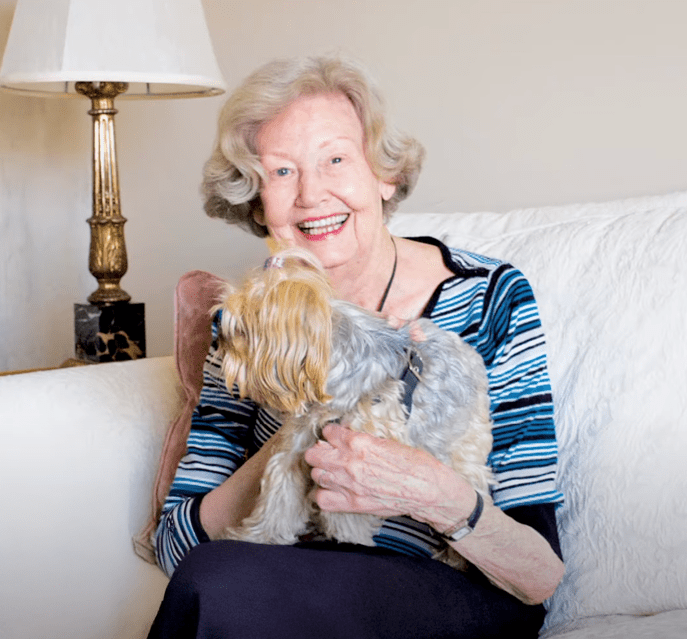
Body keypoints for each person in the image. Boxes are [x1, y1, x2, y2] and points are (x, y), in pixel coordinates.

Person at [148, 55, 564, 639]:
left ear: (384, 175)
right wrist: (301, 434)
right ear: (255, 199)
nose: (312, 195)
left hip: (447, 587)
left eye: (336, 160)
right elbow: (177, 546)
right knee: (215, 578)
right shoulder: (248, 322)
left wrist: (434, 493)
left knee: (225, 588)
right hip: (277, 579)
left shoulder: (490, 296)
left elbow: (540, 573)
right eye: (282, 172)